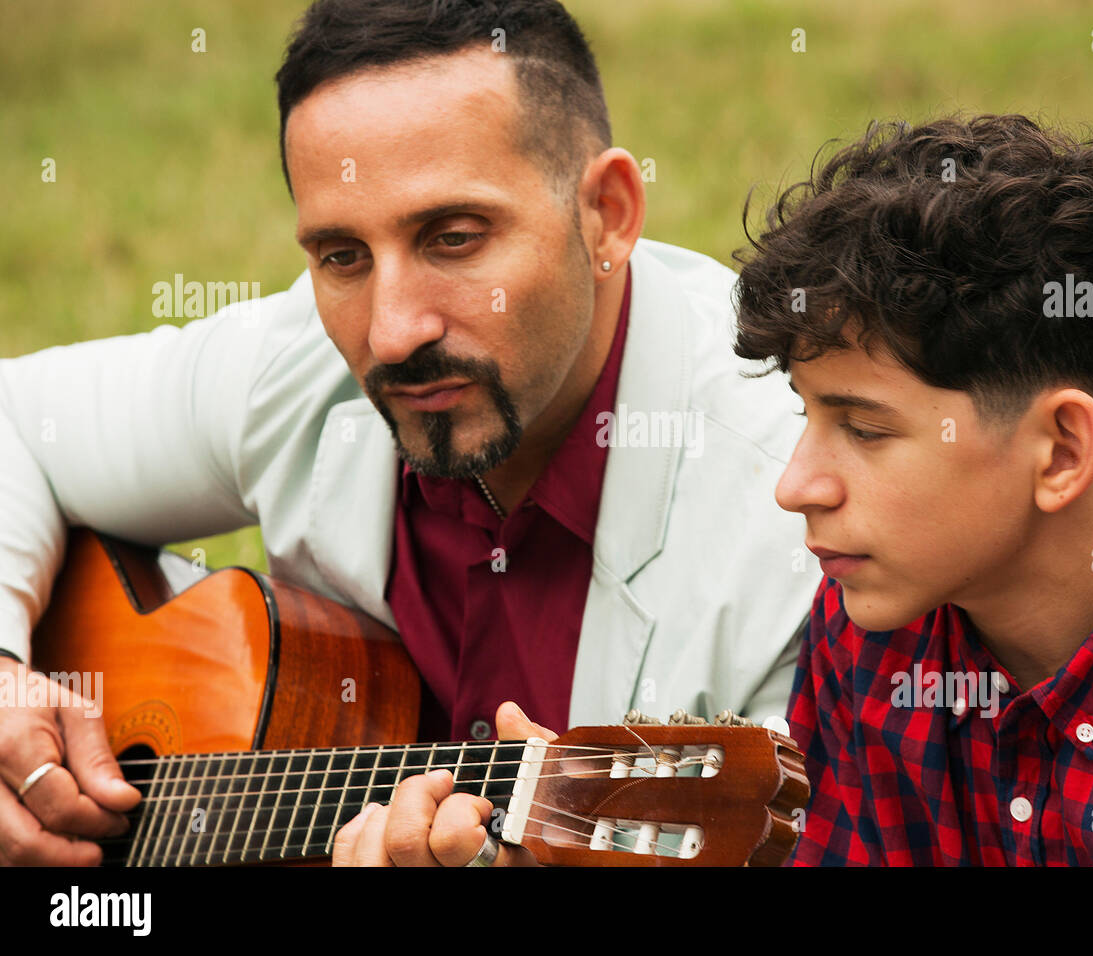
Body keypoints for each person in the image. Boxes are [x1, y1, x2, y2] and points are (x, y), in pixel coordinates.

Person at [0, 0, 820, 866]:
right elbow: (20, 421)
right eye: (341, 256)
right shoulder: (296, 366)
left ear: (608, 214)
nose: (391, 333)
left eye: (453, 238)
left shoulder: (797, 523)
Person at [729, 113, 1093, 865]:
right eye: (809, 413)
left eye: (864, 429)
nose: (796, 485)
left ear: (1062, 452)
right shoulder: (867, 638)